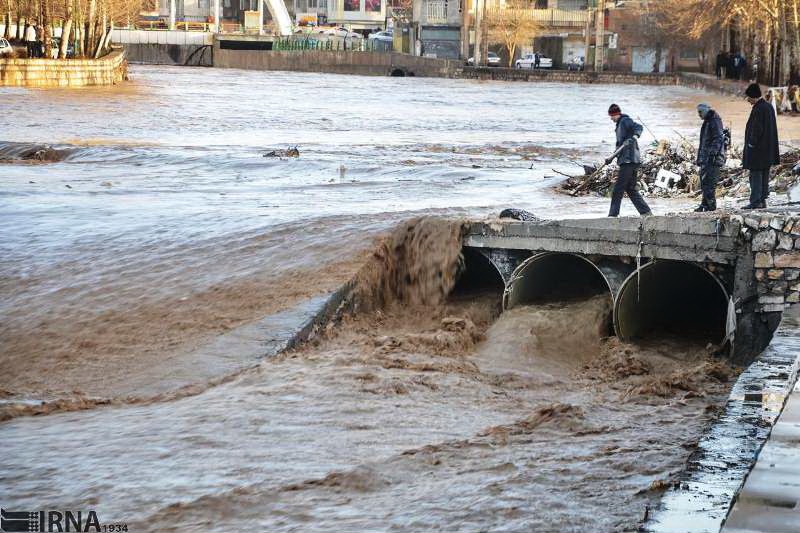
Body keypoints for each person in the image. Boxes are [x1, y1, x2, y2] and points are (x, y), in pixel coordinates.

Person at [605, 104, 653, 217]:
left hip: (628, 160)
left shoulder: (625, 121)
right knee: (630, 188)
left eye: (611, 116)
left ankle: (612, 215)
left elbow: (638, 127)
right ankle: (646, 212)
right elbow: (620, 146)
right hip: (630, 160)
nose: (611, 118)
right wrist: (611, 158)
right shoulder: (620, 125)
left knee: (618, 190)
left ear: (616, 114)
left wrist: (636, 136)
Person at [743, 83, 780, 209]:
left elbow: (757, 129)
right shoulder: (768, 107)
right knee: (764, 175)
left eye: (748, 97)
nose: (747, 99)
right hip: (768, 150)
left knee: (755, 175)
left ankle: (755, 201)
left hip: (758, 150)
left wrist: (751, 144)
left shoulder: (758, 109)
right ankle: (762, 200)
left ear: (753, 96)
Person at [695, 104, 726, 212]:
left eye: (700, 112)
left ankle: (711, 207)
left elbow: (718, 139)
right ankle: (704, 205)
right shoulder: (708, 121)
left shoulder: (714, 121)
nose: (699, 115)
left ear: (705, 111)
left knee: (709, 183)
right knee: (705, 183)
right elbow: (704, 142)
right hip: (706, 158)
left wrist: (712, 155)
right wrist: (700, 158)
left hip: (713, 159)